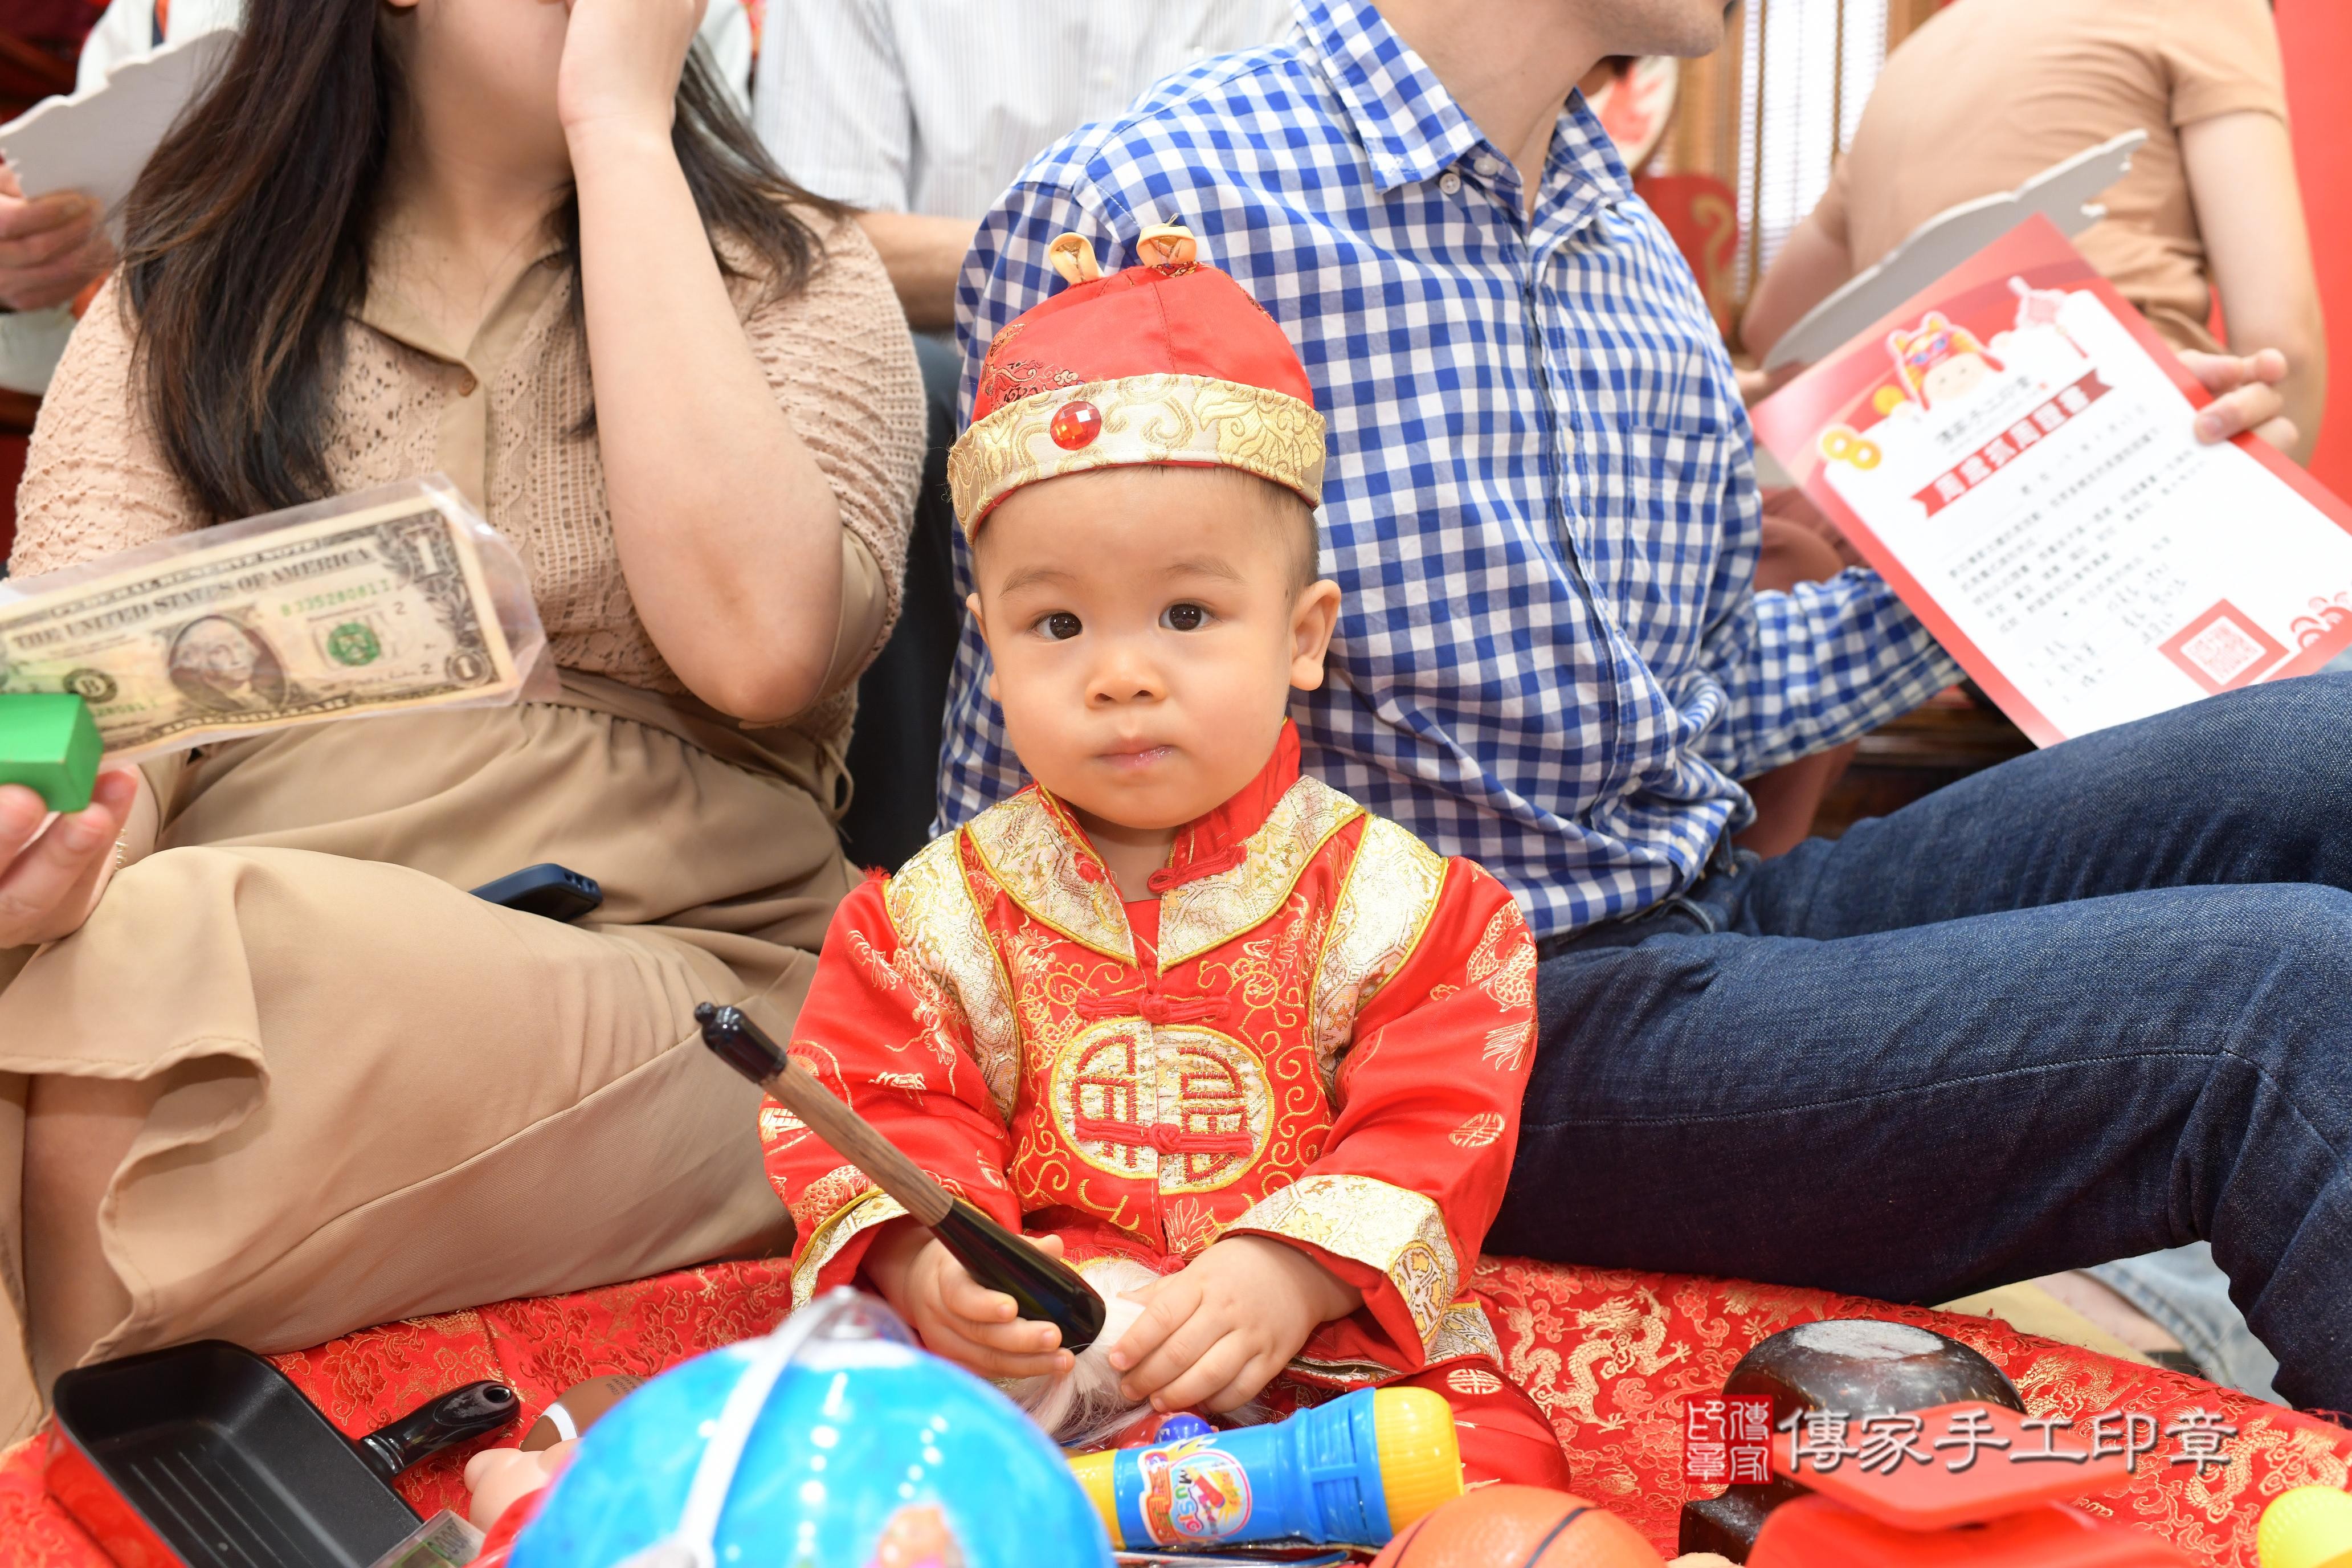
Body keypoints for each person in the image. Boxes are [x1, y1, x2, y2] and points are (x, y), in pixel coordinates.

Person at [945, 0, 2352, 1414]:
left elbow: (1694, 704)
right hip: (1449, 1036)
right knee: (2291, 998)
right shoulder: (1151, 206)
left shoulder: (1623, 251)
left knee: (2329, 738)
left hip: (1692, 915)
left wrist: (2086, 513)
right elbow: (1009, 774)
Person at [0, 0, 921, 1441]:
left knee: (164, 955)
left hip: (680, 975)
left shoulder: (789, 275)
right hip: (257, 920)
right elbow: (81, 691)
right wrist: (52, 837)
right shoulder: (189, 288)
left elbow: (761, 648)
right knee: (115, 938)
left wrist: (617, 130)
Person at [763, 232, 1573, 1487]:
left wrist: (1293, 1269)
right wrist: (939, 1268)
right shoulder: (924, 920)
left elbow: (1435, 1120)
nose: (1122, 670)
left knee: (1488, 1459)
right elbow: (874, 1110)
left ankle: (1150, 1504)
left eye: (1188, 615)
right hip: (1041, 1353)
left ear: (1304, 635)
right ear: (986, 643)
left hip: (1314, 1355)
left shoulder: (1421, 914)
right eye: (1058, 622)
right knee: (831, 1424)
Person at [1740, 0, 2323, 1394]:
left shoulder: (1913, 63)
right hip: (2122, 497)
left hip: (1927, 529)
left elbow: (1777, 319)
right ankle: (2166, 1301)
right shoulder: (2192, 13)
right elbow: (2280, 330)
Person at [754, 0, 1293, 869]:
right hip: (958, 403)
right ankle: (905, 843)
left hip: (1219, 392)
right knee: (920, 403)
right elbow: (803, 236)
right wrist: (1051, 266)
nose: (1124, 676)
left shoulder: (1396, 910)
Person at [1743, 0, 2324, 465]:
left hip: (1925, 474)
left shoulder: (1914, 57)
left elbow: (1773, 331)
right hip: (2117, 440)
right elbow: (2280, 342)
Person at [0, 0, 754, 317]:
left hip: (592, 328)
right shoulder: (161, 11)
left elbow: (728, 229)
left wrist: (619, 126)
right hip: (211, 359)